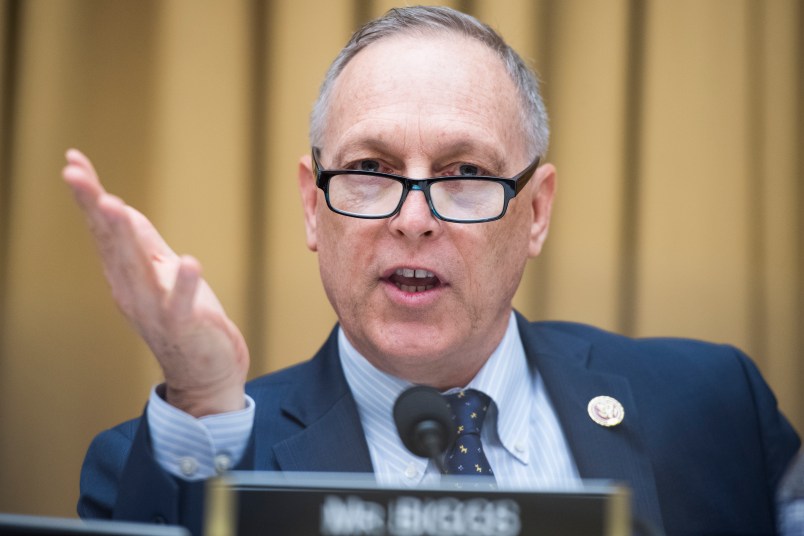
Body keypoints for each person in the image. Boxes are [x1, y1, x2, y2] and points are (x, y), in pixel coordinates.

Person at [63, 6, 799, 536]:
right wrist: (200, 400)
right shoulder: (170, 456)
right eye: (370, 169)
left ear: (536, 211)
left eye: (465, 171)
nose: (413, 218)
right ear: (313, 208)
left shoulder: (714, 407)